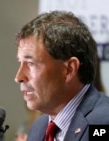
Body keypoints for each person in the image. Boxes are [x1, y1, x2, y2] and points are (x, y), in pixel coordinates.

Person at [14, 10, 109, 141]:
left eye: (31, 63)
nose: (18, 77)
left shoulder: (103, 123)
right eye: (20, 62)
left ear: (69, 69)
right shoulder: (39, 128)